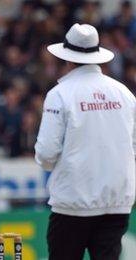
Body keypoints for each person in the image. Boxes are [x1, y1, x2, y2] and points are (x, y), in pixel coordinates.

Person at [35, 23, 136, 260]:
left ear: (67, 59)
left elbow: (47, 153)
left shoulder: (60, 94)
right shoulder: (124, 93)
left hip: (73, 201)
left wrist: (54, 166)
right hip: (116, 202)